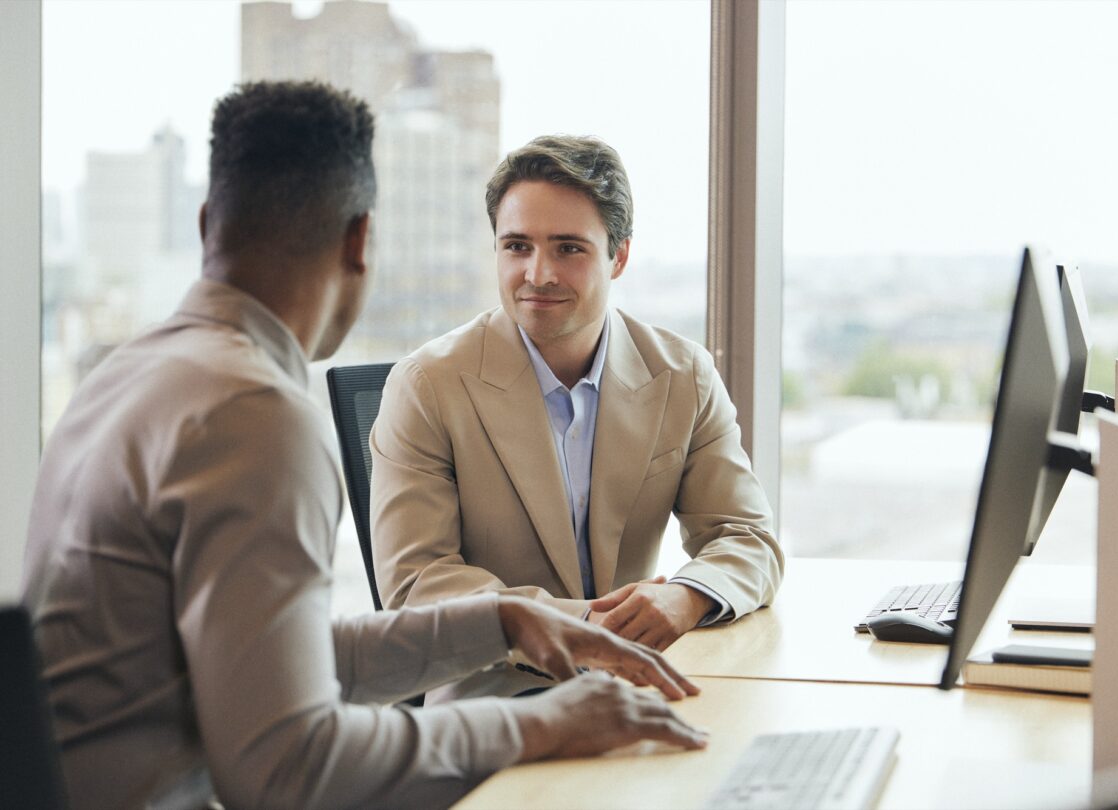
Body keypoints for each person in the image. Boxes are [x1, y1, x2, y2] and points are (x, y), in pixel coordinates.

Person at [21, 83, 707, 810]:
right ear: (359, 240)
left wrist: (500, 621)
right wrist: (539, 725)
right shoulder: (254, 411)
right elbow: (287, 768)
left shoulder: (123, 373)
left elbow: (276, 663)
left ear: (204, 224)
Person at [370, 135, 785, 701]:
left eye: (568, 248)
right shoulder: (427, 386)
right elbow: (417, 583)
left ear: (619, 256)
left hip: (642, 684)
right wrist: (587, 624)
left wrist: (685, 596)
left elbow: (747, 537)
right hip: (495, 699)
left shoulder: (683, 374)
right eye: (516, 246)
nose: (538, 274)